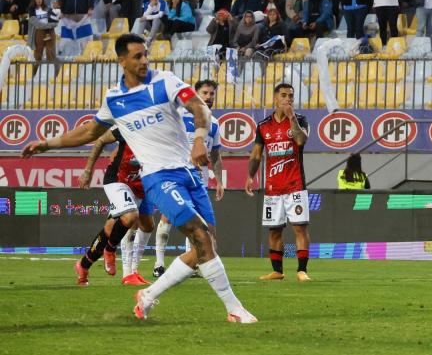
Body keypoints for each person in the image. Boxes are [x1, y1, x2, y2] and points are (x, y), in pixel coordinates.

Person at [22, 33, 256, 323]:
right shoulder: (114, 100)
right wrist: (46, 144)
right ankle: (235, 310)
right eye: (137, 56)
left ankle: (148, 295)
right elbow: (88, 133)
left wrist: (198, 140)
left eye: (146, 54)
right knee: (199, 236)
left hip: (191, 175)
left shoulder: (165, 81)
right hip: (159, 178)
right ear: (122, 60)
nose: (145, 60)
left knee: (207, 246)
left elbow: (199, 107)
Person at [154, 79, 224, 278]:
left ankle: (193, 264)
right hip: (175, 173)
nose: (209, 97)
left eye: (212, 93)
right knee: (167, 216)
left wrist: (219, 180)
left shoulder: (215, 123)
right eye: (205, 93)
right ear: (196, 94)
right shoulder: (179, 115)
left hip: (199, 177)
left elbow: (216, 155)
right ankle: (159, 264)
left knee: (198, 221)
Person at [246, 83, 312, 282]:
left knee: (300, 228)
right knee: (274, 230)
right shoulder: (264, 125)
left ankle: (302, 270)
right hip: (273, 188)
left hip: (295, 185)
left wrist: (291, 118)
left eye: (291, 96)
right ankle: (277, 271)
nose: (288, 99)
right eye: (284, 95)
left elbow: (301, 141)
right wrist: (250, 176)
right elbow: (256, 155)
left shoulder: (300, 120)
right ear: (275, 99)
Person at [77, 127, 154, 286]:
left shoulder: (162, 132)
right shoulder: (129, 125)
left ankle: (83, 265)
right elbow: (101, 140)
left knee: (111, 228)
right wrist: (88, 171)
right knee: (131, 217)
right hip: (118, 180)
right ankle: (113, 252)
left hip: (140, 185)